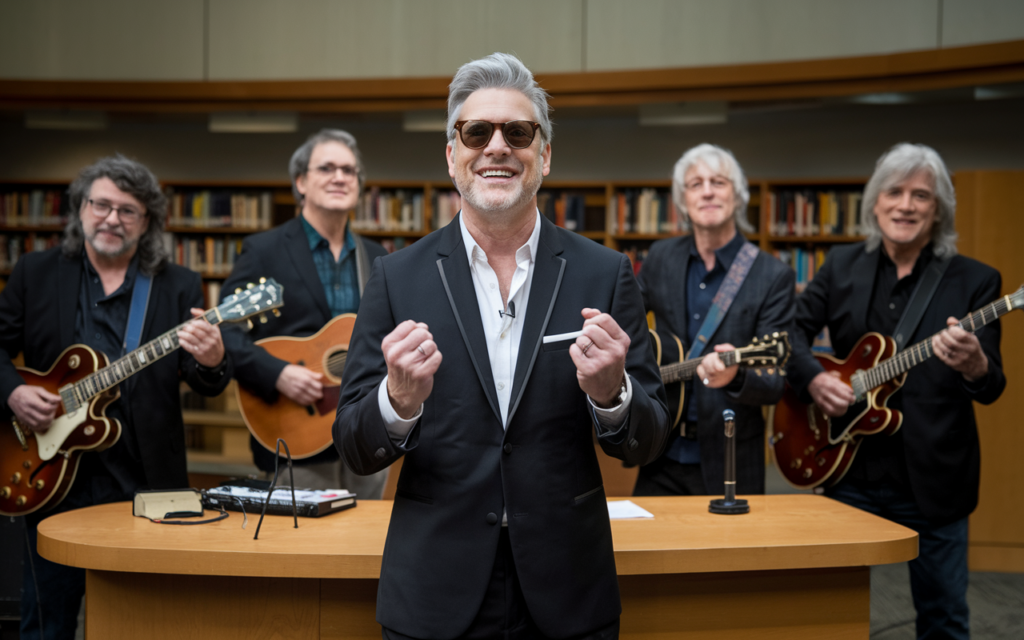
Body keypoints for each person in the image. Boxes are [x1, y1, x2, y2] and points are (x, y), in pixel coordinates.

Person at [333, 53, 671, 640]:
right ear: (451, 154)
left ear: (543, 155)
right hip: (435, 593)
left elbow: (648, 439)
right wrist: (398, 402)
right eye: (476, 132)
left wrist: (614, 395)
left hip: (568, 591)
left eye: (518, 132)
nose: (496, 147)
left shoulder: (605, 272)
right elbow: (355, 448)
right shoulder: (396, 277)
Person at [0, 155, 232, 640]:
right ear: (80, 208)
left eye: (128, 210)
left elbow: (203, 380)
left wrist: (212, 360)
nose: (111, 218)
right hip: (48, 469)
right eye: (101, 204)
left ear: (147, 222)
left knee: (145, 619)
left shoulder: (176, 284)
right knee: (46, 621)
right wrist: (14, 392)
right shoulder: (35, 272)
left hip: (143, 477)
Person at [786, 142, 1005, 640]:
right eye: (895, 192)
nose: (906, 205)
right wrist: (816, 379)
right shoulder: (840, 266)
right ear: (875, 202)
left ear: (938, 210)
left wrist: (975, 363)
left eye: (921, 195)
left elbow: (992, 385)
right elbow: (792, 336)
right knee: (828, 614)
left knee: (944, 616)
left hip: (933, 479)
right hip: (846, 468)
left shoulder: (976, 280)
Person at [220, 129, 389, 496]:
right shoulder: (264, 250)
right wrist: (277, 373)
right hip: (295, 436)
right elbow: (225, 331)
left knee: (365, 548)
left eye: (349, 170)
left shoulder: (378, 258)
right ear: (301, 181)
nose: (340, 177)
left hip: (366, 435)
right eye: (326, 168)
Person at [633, 144, 794, 497]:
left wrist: (737, 376)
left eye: (718, 182)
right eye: (695, 184)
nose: (707, 191)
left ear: (737, 196)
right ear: (683, 201)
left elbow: (774, 382)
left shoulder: (773, 275)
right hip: (658, 452)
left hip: (730, 459)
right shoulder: (661, 257)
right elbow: (624, 319)